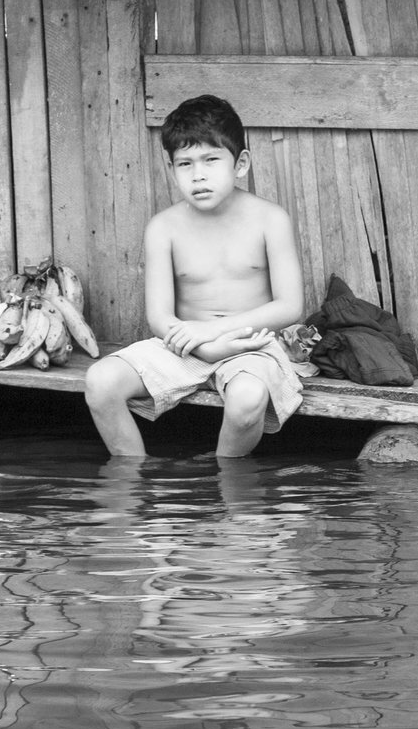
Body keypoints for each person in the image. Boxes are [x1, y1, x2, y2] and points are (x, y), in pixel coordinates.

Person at [84, 94, 310, 458]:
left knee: (247, 400)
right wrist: (203, 343)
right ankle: (133, 479)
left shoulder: (270, 220)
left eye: (211, 160)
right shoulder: (164, 228)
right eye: (185, 163)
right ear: (170, 169)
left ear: (240, 164)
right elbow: (159, 315)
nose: (198, 174)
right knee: (100, 382)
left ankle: (225, 484)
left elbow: (289, 306)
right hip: (184, 345)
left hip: (250, 346)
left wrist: (215, 333)